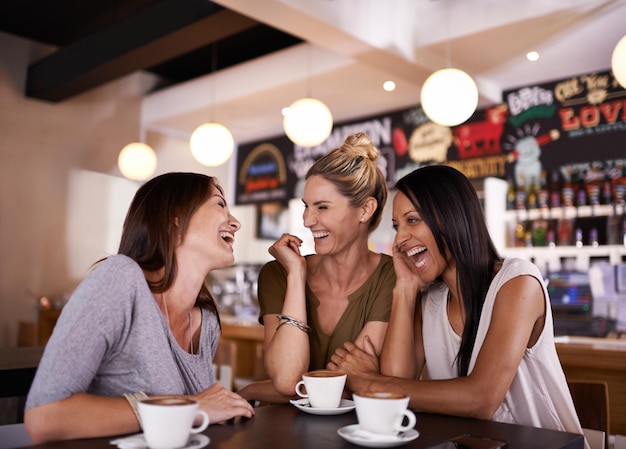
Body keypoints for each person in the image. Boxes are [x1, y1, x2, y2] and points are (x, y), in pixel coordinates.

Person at [329, 165, 584, 435]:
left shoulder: (518, 282)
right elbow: (399, 385)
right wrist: (404, 288)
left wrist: (370, 382)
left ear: (452, 217)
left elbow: (481, 399)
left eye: (412, 220)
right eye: (396, 226)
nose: (400, 239)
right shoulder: (429, 298)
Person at [25, 172, 255, 443]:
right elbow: (44, 418)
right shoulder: (120, 278)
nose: (235, 222)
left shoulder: (205, 320)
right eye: (220, 204)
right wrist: (188, 407)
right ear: (176, 215)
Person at [238, 132, 395, 402]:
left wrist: (252, 390)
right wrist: (297, 275)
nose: (308, 220)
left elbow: (351, 386)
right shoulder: (279, 274)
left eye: (322, 207)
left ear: (365, 210)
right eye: (306, 206)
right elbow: (288, 379)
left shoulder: (391, 277)